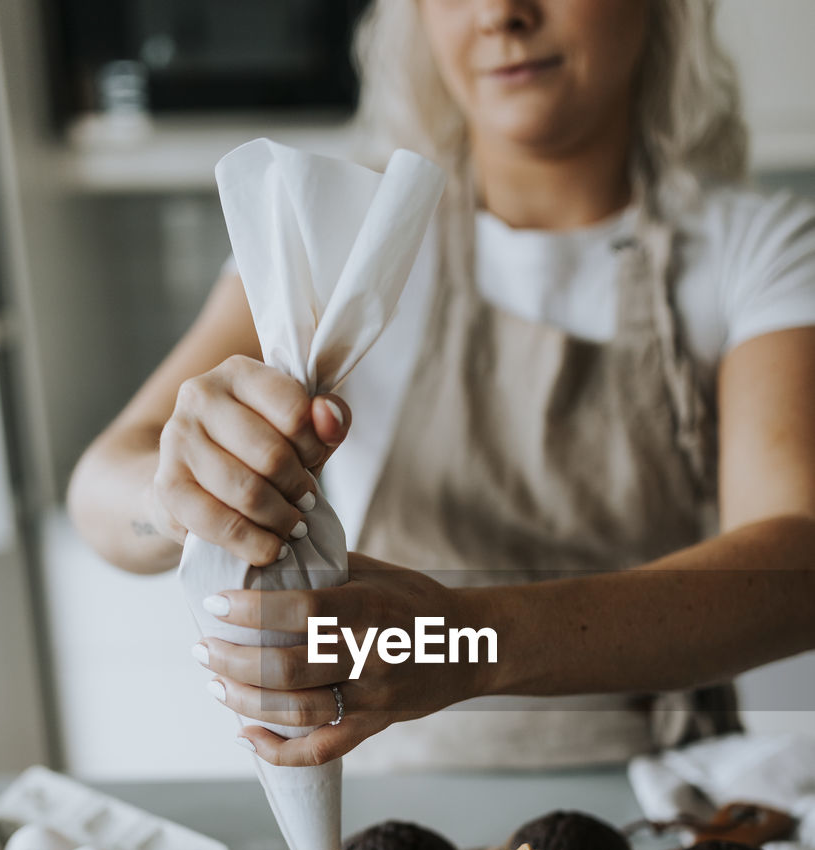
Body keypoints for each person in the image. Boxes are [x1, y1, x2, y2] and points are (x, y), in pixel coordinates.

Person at [68, 0, 815, 773]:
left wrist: (465, 638)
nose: (499, 14)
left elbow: (795, 570)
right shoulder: (338, 250)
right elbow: (98, 495)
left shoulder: (757, 253)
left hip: (670, 803)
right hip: (396, 794)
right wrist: (171, 500)